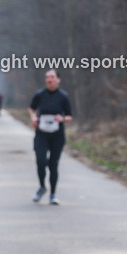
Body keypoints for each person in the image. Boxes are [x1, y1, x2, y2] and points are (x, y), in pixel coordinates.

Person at [28, 70, 73, 205]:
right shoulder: (40, 94)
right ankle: (42, 186)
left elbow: (70, 116)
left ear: (58, 79)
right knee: (41, 161)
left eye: (52, 77)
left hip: (57, 135)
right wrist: (34, 118)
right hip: (41, 134)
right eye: (47, 77)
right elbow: (31, 108)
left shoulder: (63, 96)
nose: (49, 80)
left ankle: (53, 194)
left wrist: (62, 118)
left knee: (53, 165)